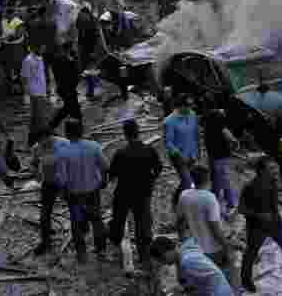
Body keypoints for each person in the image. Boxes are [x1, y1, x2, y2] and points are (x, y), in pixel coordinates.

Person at [239, 156, 282, 292]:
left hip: (274, 222)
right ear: (261, 171)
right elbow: (241, 209)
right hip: (256, 227)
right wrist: (259, 215)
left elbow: (274, 202)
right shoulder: (249, 187)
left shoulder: (273, 182)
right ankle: (246, 281)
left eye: (275, 167)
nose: (275, 170)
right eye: (271, 168)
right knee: (251, 253)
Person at [108, 119, 163, 264]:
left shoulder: (120, 152)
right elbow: (158, 168)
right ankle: (144, 254)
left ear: (125, 134)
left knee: (118, 219)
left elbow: (112, 173)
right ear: (138, 132)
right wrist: (151, 178)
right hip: (143, 192)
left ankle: (115, 242)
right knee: (142, 222)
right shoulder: (149, 150)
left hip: (124, 192)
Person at [55, 118, 109, 262]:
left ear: (66, 133)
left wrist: (62, 192)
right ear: (82, 130)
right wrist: (104, 180)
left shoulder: (62, 152)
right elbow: (105, 166)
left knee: (76, 222)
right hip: (93, 190)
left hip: (74, 193)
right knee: (97, 220)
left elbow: (61, 178)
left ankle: (82, 253)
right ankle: (101, 250)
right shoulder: (94, 146)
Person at [177, 165, 233, 282]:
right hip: (212, 249)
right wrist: (227, 247)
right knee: (222, 277)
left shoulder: (184, 195)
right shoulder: (209, 198)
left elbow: (180, 221)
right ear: (208, 179)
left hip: (196, 247)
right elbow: (215, 229)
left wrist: (183, 241)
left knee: (203, 280)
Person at [30, 127, 68, 256]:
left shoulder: (63, 143)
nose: (41, 143)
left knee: (75, 208)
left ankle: (82, 229)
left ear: (49, 136)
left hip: (65, 182)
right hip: (49, 183)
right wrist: (36, 173)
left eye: (43, 140)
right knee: (44, 214)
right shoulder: (37, 148)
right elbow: (34, 163)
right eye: (39, 141)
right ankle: (45, 242)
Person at [203, 107, 239, 218]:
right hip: (222, 157)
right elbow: (234, 142)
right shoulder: (222, 129)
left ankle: (215, 203)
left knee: (216, 180)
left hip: (212, 157)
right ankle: (230, 202)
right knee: (224, 180)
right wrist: (234, 148)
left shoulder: (207, 128)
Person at [165, 93, 200, 192]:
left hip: (192, 154)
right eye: (189, 106)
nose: (191, 108)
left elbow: (196, 133)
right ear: (181, 106)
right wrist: (180, 155)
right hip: (179, 157)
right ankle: (184, 202)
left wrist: (198, 152)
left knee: (187, 181)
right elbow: (168, 143)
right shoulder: (169, 121)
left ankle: (177, 197)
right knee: (189, 183)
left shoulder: (192, 115)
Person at [46, 47, 82, 133]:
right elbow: (75, 73)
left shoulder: (57, 61)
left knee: (66, 110)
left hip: (64, 89)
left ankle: (50, 126)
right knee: (75, 112)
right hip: (68, 89)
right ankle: (77, 132)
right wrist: (74, 61)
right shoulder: (64, 60)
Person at [20, 44, 48, 144]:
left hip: (41, 91)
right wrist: (26, 95)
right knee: (40, 119)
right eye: (42, 47)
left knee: (36, 119)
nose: (43, 49)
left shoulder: (40, 58)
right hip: (34, 93)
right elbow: (23, 78)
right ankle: (39, 141)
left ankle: (32, 141)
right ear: (35, 47)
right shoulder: (28, 60)